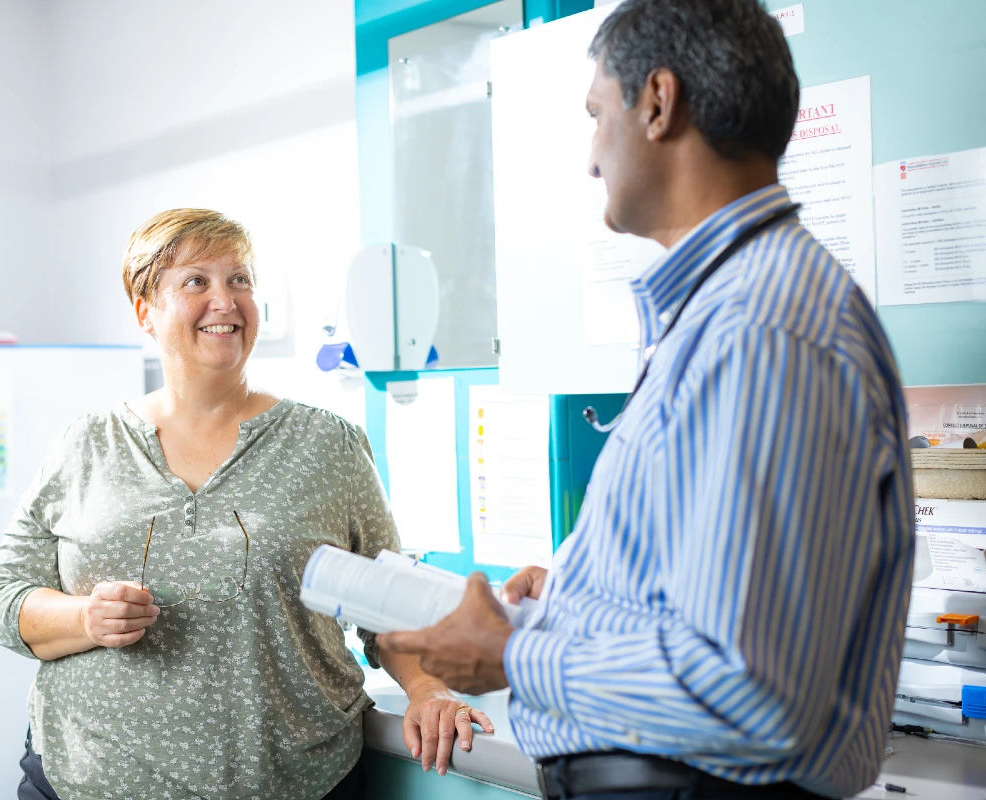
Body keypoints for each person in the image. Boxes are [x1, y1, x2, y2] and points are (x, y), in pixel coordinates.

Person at [379, 1, 914, 798]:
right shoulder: (728, 311)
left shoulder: (759, 327)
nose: (593, 159)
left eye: (597, 115)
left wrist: (511, 655)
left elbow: (752, 689)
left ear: (658, 102)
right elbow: (713, 610)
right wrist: (566, 613)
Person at [0, 208, 493, 800]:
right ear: (145, 311)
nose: (224, 300)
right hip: (84, 779)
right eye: (196, 281)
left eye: (240, 280)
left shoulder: (327, 443)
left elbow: (388, 601)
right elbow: (3, 598)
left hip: (294, 782)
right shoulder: (87, 445)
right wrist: (84, 619)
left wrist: (429, 691)